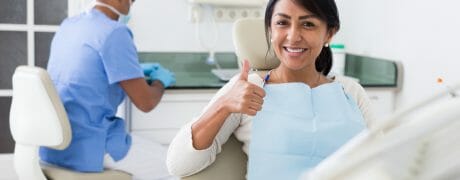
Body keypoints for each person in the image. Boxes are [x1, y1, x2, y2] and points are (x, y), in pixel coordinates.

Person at [166, 0, 376, 179]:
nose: (293, 36)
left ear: (329, 33)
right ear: (270, 30)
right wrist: (223, 106)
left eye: (308, 24)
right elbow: (179, 165)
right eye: (282, 23)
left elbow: (382, 159)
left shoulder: (351, 91)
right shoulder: (248, 88)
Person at [39, 0, 176, 179]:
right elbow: (146, 102)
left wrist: (134, 71)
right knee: (176, 167)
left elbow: (84, 71)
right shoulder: (115, 32)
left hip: (54, 147)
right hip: (90, 146)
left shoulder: (69, 25)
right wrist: (160, 81)